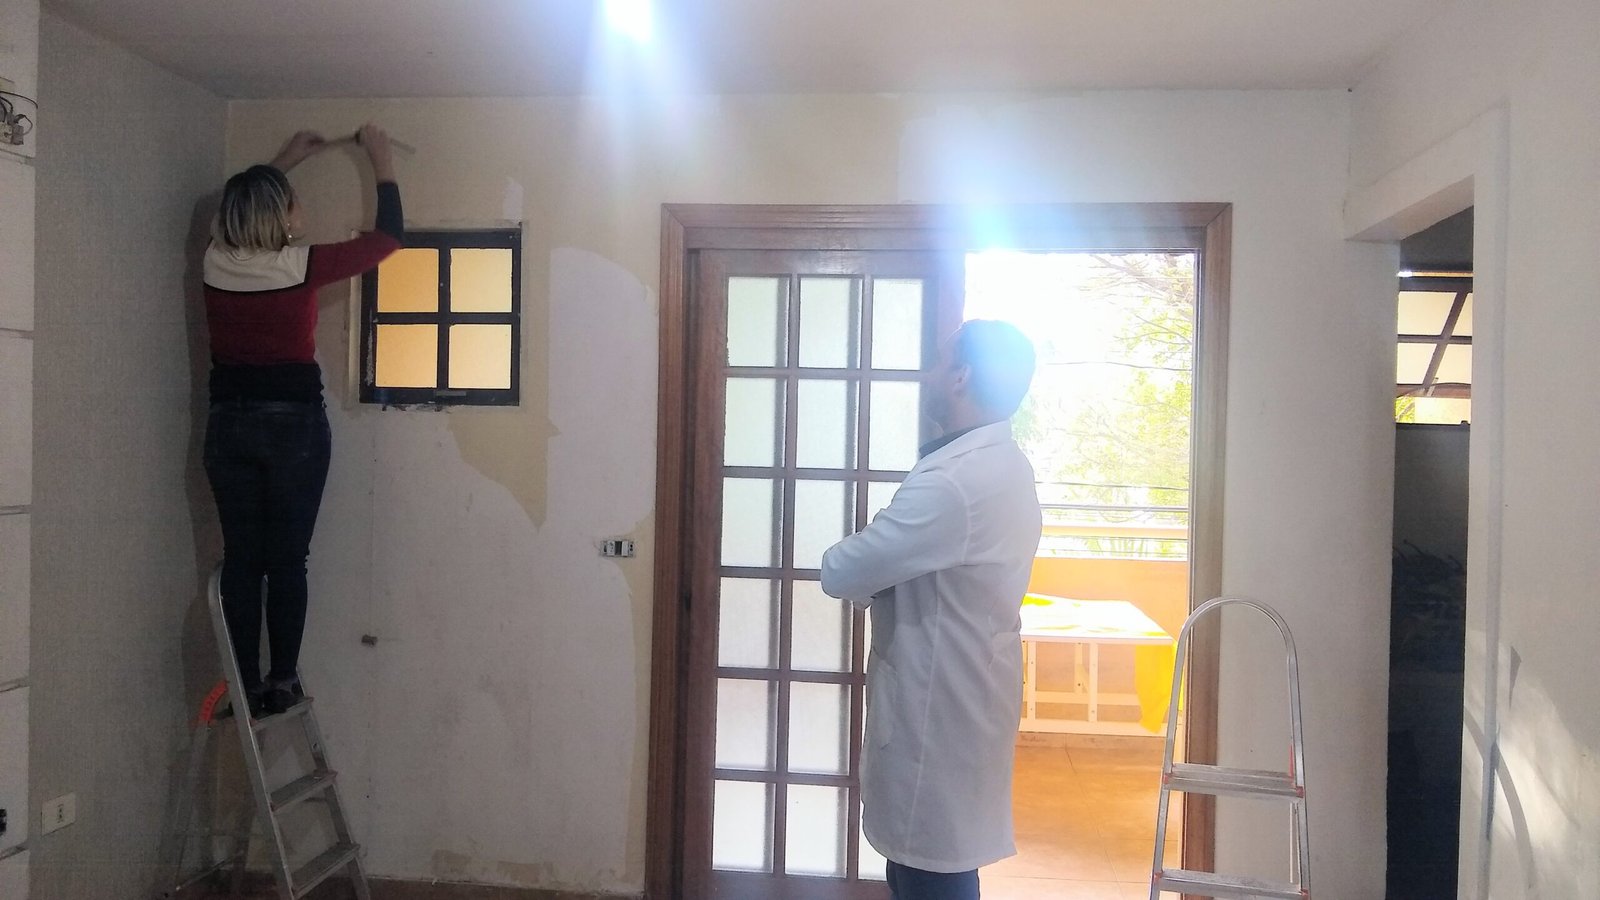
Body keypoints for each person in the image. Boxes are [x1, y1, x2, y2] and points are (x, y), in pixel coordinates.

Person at [820, 319, 1043, 900]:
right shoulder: (1004, 465)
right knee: (934, 866)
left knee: (929, 872)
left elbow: (842, 570)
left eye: (939, 362)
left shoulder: (955, 483)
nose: (929, 374)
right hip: (965, 690)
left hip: (938, 711)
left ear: (961, 376)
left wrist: (873, 569)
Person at [202, 124, 403, 717]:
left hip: (229, 426)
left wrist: (285, 159)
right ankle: (283, 680)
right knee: (288, 561)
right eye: (293, 203)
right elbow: (389, 238)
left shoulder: (214, 262)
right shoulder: (302, 264)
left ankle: (244, 685)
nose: (301, 209)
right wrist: (382, 160)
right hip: (292, 428)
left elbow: (240, 210)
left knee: (243, 561)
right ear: (281, 216)